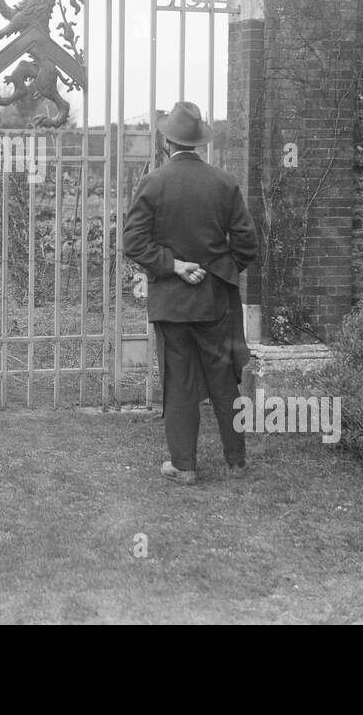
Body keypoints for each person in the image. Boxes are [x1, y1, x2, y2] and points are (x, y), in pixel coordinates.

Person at [121, 101, 258, 485]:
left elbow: (133, 242)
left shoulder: (153, 183)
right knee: (223, 381)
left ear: (167, 142)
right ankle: (236, 461)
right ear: (198, 142)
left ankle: (184, 466)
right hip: (214, 301)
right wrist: (218, 271)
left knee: (178, 382)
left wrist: (173, 266)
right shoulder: (224, 183)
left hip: (171, 303)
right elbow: (247, 245)